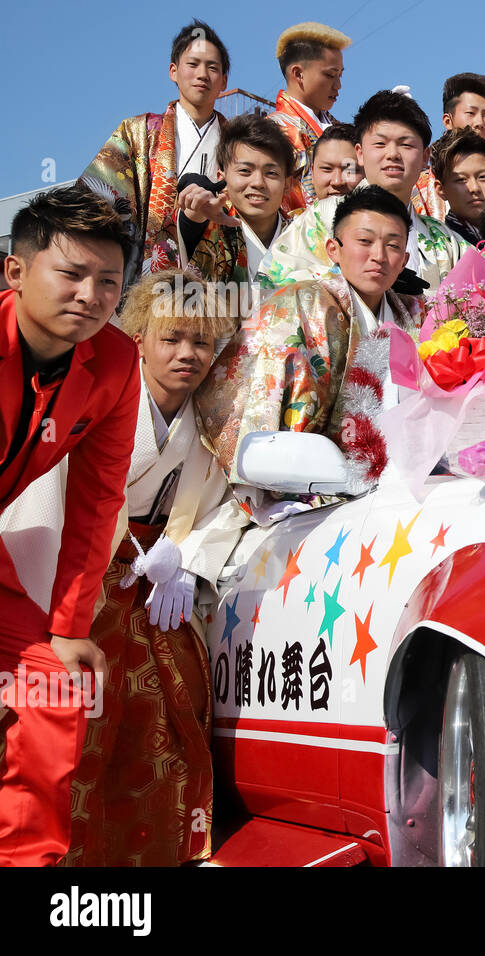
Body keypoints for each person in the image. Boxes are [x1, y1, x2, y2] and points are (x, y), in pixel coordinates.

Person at [65, 270, 247, 866]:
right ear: (138, 336)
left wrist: (182, 556)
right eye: (171, 338)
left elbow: (228, 507)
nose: (187, 354)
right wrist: (122, 554)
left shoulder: (211, 424)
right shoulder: (102, 397)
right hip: (87, 577)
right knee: (83, 713)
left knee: (174, 710)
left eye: (200, 341)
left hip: (160, 582)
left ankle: (157, 852)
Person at [0, 185, 139, 866]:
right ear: (15, 272)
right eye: (72, 273)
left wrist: (68, 627)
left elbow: (97, 499)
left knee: (52, 685)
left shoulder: (114, 362)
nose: (90, 294)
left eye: (108, 281)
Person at [199, 186, 429, 512]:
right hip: (308, 491)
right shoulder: (299, 304)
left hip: (401, 479)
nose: (379, 255)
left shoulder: (417, 313)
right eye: (364, 242)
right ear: (333, 249)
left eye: (393, 246)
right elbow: (261, 406)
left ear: (405, 259)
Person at [257, 91, 463, 294]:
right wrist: (357, 282)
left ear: (425, 157)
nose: (392, 154)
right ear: (360, 153)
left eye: (406, 144)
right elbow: (270, 285)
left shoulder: (441, 238)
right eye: (380, 144)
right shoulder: (322, 217)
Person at [80, 20, 231, 288]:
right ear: (173, 71)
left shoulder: (239, 143)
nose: (202, 74)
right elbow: (96, 203)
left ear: (224, 80)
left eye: (212, 67)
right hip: (150, 282)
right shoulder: (137, 132)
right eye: (193, 64)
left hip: (221, 279)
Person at [177, 115, 297, 290]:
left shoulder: (304, 234)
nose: (257, 182)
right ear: (221, 177)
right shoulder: (209, 226)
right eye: (245, 171)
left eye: (271, 173)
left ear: (287, 184)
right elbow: (191, 222)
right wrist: (195, 212)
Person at [268, 22, 351, 212]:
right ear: (298, 74)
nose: (338, 85)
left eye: (340, 75)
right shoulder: (275, 130)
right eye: (331, 75)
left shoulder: (337, 126)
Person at [432, 128, 485, 246]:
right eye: (461, 180)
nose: (474, 188)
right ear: (441, 189)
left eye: (483, 177)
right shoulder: (436, 246)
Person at [310, 123, 361, 200]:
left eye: (349, 170)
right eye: (327, 169)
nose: (337, 181)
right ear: (312, 173)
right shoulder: (305, 212)